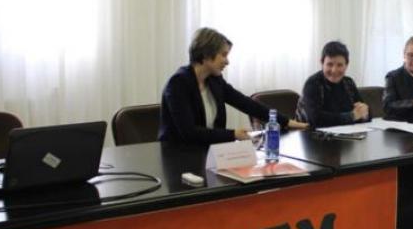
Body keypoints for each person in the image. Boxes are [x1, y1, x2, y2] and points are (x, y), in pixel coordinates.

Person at [159, 27, 307, 145]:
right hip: (178, 156)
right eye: (223, 55)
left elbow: (246, 103)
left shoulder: (214, 80)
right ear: (206, 55)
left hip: (208, 152)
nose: (227, 61)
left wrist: (287, 122)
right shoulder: (178, 83)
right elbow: (189, 132)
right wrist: (233, 134)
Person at [296, 41, 370, 128]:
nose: (334, 70)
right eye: (329, 64)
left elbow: (365, 112)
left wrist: (365, 113)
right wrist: (351, 116)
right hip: (311, 136)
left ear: (346, 65)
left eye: (340, 65)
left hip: (344, 135)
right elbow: (315, 119)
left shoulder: (348, 83)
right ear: (322, 63)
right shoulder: (312, 83)